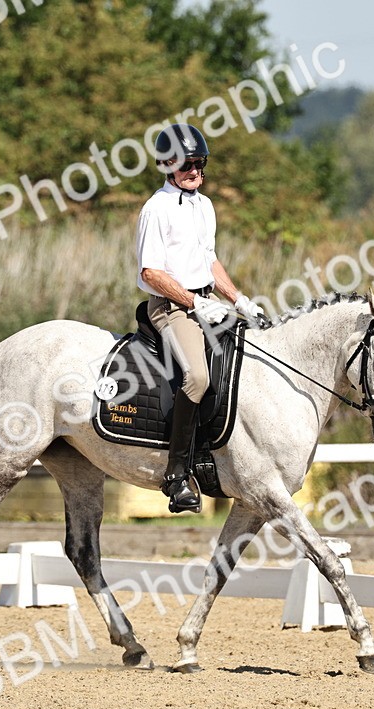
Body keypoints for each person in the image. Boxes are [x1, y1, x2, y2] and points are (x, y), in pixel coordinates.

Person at [135, 123, 266, 513]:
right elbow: (151, 273)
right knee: (198, 377)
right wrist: (193, 303)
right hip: (171, 308)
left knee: (245, 365)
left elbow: (209, 260)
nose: (193, 170)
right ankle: (176, 476)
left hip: (205, 302)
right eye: (185, 163)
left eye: (198, 162)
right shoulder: (155, 209)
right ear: (167, 165)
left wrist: (238, 298)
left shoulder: (204, 206)